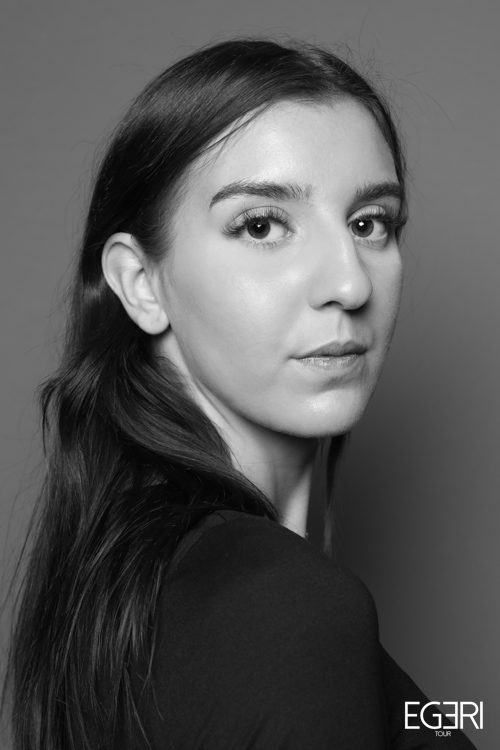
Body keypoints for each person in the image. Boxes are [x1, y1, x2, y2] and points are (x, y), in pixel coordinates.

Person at [3, 39, 478, 749]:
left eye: (369, 223)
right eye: (261, 226)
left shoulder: (129, 582)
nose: (350, 284)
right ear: (141, 283)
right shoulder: (283, 605)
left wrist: (449, 718)